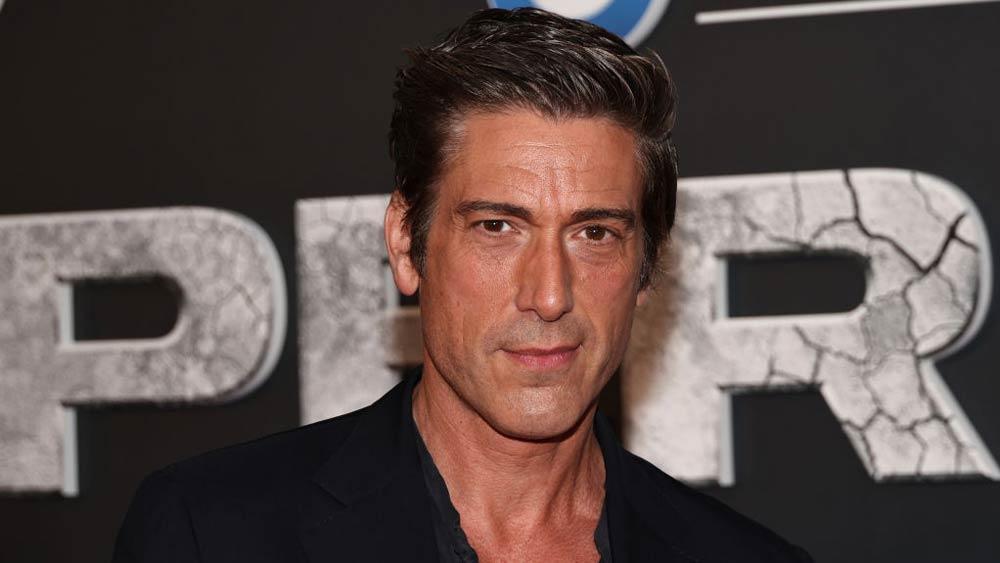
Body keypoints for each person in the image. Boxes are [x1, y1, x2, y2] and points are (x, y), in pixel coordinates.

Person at [113, 8, 811, 562]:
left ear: (646, 266)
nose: (549, 295)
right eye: (497, 227)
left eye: (595, 233)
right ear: (405, 244)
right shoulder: (210, 533)